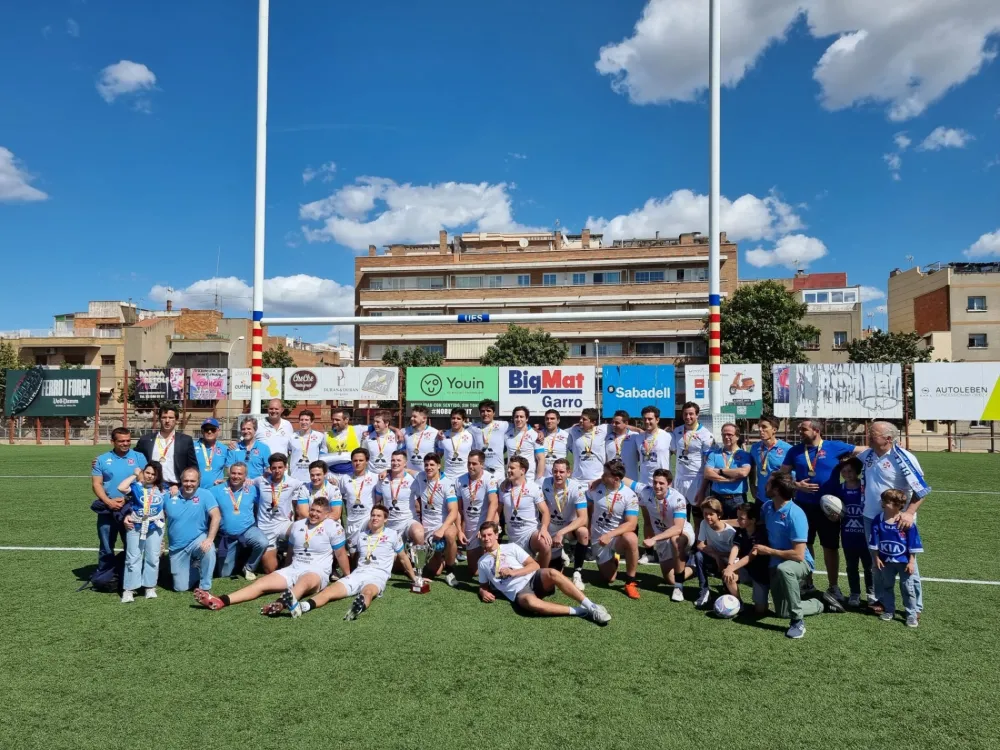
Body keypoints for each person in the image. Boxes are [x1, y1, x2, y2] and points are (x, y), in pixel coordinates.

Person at [195, 497, 350, 615]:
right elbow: (291, 550)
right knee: (261, 584)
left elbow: (341, 553)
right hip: (294, 568)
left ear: (327, 514)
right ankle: (221, 600)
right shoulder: (298, 525)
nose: (314, 514)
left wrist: (347, 576)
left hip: (316, 572)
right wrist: (285, 569)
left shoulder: (333, 527)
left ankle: (280, 604)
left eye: (319, 512)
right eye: (313, 510)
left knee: (303, 583)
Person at [271, 504, 420, 621]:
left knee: (367, 592)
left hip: (377, 575)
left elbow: (403, 557)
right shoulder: (362, 535)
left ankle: (358, 607)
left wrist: (414, 579)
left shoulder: (393, 535)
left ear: (385, 519)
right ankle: (302, 607)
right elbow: (355, 558)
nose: (374, 518)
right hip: (358, 573)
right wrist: (347, 573)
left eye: (378, 516)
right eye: (373, 515)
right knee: (329, 591)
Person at [779, 419, 863, 601]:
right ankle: (807, 583)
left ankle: (834, 587)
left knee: (830, 547)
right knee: (804, 545)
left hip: (829, 509)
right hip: (802, 507)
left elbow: (863, 451)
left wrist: (893, 449)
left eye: (803, 429)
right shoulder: (794, 451)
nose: (799, 432)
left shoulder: (835, 446)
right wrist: (796, 485)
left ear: (816, 430)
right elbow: (781, 474)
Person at [755, 473, 843, 639]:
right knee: (782, 612)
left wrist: (769, 552)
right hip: (776, 561)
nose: (764, 487)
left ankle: (797, 621)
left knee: (785, 569)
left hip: (800, 562)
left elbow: (798, 554)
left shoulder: (795, 514)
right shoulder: (766, 507)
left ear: (776, 490)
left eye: (768, 484)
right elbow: (754, 524)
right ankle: (820, 603)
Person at [477, 521, 611, 626]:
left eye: (489, 535)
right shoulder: (482, 562)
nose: (486, 538)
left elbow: (535, 565)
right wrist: (483, 592)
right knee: (531, 603)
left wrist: (514, 572)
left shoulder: (510, 547)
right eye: (483, 536)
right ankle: (581, 611)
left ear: (496, 535)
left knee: (552, 572)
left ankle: (591, 606)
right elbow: (483, 585)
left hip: (533, 578)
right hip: (518, 592)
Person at [858, 421, 929, 617]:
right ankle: (881, 600)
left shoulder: (904, 458)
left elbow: (922, 489)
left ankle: (915, 607)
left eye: (873, 433)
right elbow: (849, 453)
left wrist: (909, 513)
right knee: (877, 562)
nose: (869, 436)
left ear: (888, 438)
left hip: (899, 521)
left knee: (908, 564)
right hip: (871, 519)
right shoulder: (868, 455)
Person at [89, 427, 148, 591]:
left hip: (131, 509)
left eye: (128, 440)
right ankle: (105, 577)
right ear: (112, 442)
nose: (125, 443)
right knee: (106, 545)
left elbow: (145, 480)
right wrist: (108, 501)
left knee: (132, 545)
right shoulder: (102, 459)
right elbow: (96, 484)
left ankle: (130, 578)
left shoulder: (139, 457)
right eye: (121, 441)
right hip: (108, 509)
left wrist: (131, 498)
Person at [634, 469, 695, 602]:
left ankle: (679, 587)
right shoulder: (646, 491)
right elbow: (625, 481)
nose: (657, 486)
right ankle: (695, 566)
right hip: (663, 539)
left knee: (675, 540)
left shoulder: (678, 499)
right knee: (670, 579)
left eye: (661, 483)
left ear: (669, 484)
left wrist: (654, 539)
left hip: (682, 534)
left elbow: (677, 528)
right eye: (655, 482)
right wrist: (599, 480)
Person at [156, 467, 220, 592]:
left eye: (193, 481)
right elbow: (159, 518)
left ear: (198, 481)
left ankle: (205, 587)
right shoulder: (169, 496)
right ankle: (195, 567)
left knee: (208, 549)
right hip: (177, 548)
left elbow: (216, 516)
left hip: (197, 540)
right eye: (186, 481)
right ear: (181, 481)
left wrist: (210, 539)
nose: (189, 484)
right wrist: (160, 540)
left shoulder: (206, 495)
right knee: (180, 588)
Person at [586, 459, 641, 599]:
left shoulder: (630, 495)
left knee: (632, 538)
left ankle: (630, 582)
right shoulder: (595, 488)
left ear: (616, 478)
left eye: (605, 474)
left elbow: (631, 524)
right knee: (609, 579)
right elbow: (588, 511)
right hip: (598, 538)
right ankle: (614, 557)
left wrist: (610, 535)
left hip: (616, 537)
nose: (602, 476)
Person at [869, 489, 924, 628]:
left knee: (907, 588)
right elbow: (874, 540)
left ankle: (911, 614)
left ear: (899, 505)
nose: (885, 504)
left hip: (904, 561)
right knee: (887, 586)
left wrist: (911, 561)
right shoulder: (879, 519)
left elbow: (913, 542)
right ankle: (889, 610)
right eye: (885, 501)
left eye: (890, 502)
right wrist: (876, 558)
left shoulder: (905, 521)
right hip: (886, 561)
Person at [117, 461, 166, 603]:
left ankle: (150, 586)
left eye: (153, 474)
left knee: (153, 557)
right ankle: (129, 589)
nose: (150, 476)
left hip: (155, 527)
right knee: (133, 558)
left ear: (158, 476)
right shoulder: (136, 487)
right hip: (136, 526)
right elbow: (121, 487)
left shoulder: (162, 489)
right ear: (143, 472)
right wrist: (134, 474)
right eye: (148, 472)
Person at [211, 462, 268, 580]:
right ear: (228, 473)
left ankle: (249, 567)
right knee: (224, 574)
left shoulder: (252, 489)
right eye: (233, 473)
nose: (236, 476)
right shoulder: (215, 490)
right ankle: (234, 561)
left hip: (247, 530)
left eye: (239, 474)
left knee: (262, 542)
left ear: (245, 476)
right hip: (227, 536)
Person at [411, 453, 460, 587]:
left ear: (439, 466)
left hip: (444, 525)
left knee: (450, 534)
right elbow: (406, 470)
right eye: (426, 465)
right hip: (427, 528)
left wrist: (442, 529)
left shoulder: (447, 483)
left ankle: (450, 571)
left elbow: (454, 511)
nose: (428, 467)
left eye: (432, 465)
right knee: (435, 571)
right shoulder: (421, 477)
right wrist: (387, 471)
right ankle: (443, 560)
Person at [539, 458, 588, 591]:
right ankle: (561, 555)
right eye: (555, 471)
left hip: (568, 527)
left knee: (583, 532)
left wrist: (561, 533)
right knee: (550, 574)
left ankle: (577, 572)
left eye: (561, 472)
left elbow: (583, 518)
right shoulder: (543, 483)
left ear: (568, 473)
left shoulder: (576, 488)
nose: (558, 475)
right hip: (551, 527)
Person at [253, 453, 307, 573]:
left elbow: (310, 485)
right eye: (274, 468)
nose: (277, 471)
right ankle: (280, 556)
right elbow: (244, 482)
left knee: (302, 531)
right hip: (265, 528)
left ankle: (294, 561)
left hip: (284, 524)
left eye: (280, 467)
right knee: (270, 570)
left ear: (285, 467)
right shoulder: (260, 481)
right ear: (270, 468)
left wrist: (332, 482)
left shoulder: (293, 482)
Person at [835, 456, 872, 608]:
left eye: (850, 470)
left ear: (857, 470)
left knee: (869, 566)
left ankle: (871, 592)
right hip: (848, 535)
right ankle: (854, 593)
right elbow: (835, 511)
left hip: (865, 535)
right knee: (851, 566)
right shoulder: (840, 489)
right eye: (843, 471)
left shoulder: (865, 487)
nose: (847, 473)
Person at [454, 450, 499, 573]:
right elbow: (458, 510)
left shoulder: (490, 479)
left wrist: (486, 527)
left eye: (474, 464)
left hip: (486, 522)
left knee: (493, 566)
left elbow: (493, 503)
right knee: (473, 570)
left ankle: (493, 552)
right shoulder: (459, 480)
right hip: (470, 525)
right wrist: (459, 531)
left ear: (482, 465)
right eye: (469, 463)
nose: (470, 466)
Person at [722, 503, 770, 616]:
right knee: (728, 575)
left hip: (761, 574)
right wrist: (729, 566)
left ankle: (765, 596)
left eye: (741, 518)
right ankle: (738, 603)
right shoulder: (741, 530)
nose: (737, 521)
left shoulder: (761, 534)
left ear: (752, 520)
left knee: (760, 611)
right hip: (746, 570)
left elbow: (750, 556)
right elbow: (735, 547)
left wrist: (732, 567)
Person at [498, 455, 550, 558]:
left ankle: (540, 572)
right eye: (508, 467)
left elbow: (545, 512)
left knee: (545, 544)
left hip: (530, 534)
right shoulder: (503, 488)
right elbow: (497, 511)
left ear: (522, 470)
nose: (508, 470)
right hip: (512, 536)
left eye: (512, 468)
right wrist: (495, 525)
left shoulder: (534, 488)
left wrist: (543, 529)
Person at [698, 423, 752, 519]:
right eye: (724, 434)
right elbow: (707, 473)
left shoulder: (744, 455)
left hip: (737, 498)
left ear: (737, 436)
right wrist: (729, 479)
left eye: (730, 434)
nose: (726, 437)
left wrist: (719, 471)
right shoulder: (714, 454)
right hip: (716, 498)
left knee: (737, 529)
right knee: (716, 528)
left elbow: (743, 472)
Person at [136, 405, 197, 487]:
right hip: (151, 487)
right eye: (164, 417)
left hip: (176, 487)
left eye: (171, 418)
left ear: (176, 420)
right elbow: (136, 461)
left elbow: (193, 467)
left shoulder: (186, 441)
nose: (167, 421)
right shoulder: (145, 440)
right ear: (159, 419)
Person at [670, 401, 714, 506]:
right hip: (679, 481)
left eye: (691, 414)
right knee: (680, 518)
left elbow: (708, 463)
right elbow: (676, 452)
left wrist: (703, 489)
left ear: (697, 415)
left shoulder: (706, 434)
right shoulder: (677, 431)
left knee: (698, 517)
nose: (688, 417)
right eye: (685, 414)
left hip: (697, 481)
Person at [375, 450, 420, 546]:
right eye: (393, 460)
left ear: (405, 463)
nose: (395, 463)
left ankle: (417, 558)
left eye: (399, 460)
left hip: (408, 521)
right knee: (396, 559)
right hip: (389, 524)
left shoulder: (413, 480)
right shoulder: (382, 480)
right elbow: (377, 502)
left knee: (418, 533)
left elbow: (419, 502)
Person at [334, 448, 378, 544]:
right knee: (354, 555)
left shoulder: (375, 478)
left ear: (367, 462)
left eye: (361, 460)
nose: (357, 463)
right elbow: (338, 496)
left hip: (368, 521)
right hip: (351, 523)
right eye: (355, 460)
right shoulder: (345, 478)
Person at [749, 415, 790, 503]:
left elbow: (792, 475)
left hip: (780, 498)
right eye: (759, 426)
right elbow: (752, 468)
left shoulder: (787, 449)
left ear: (774, 430)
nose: (760, 430)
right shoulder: (755, 448)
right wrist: (752, 486)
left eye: (764, 427)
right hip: (761, 497)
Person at [631, 405, 673, 484]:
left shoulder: (668, 436)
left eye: (650, 419)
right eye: (644, 419)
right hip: (644, 482)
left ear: (657, 420)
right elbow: (622, 426)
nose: (647, 421)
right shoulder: (638, 438)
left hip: (662, 483)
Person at [324, 408, 371, 476]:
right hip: (332, 475)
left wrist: (391, 427)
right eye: (333, 419)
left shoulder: (357, 430)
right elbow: (323, 456)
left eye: (337, 420)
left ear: (346, 420)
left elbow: (377, 426)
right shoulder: (326, 435)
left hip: (352, 474)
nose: (334, 422)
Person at [468, 399, 509, 476]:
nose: (485, 413)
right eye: (482, 411)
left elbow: (521, 427)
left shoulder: (503, 425)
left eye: (488, 411)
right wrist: (441, 432)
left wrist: (538, 432)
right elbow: (458, 431)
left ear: (494, 413)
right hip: (480, 472)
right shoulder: (473, 427)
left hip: (497, 472)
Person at [567, 408, 609, 481]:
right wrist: (541, 431)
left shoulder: (603, 429)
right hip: (578, 480)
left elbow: (622, 425)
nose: (580, 421)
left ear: (593, 422)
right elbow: (555, 432)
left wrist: (636, 430)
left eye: (584, 419)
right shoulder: (574, 430)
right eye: (580, 418)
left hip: (598, 479)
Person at [288, 409, 328, 482]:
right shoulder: (292, 437)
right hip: (295, 477)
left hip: (313, 477)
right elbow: (287, 454)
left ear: (312, 422)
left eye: (306, 420)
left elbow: (324, 456)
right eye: (301, 420)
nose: (303, 422)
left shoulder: (320, 436)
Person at [438, 407, 475, 481]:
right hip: (447, 478)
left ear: (463, 420)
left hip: (465, 477)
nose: (455, 421)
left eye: (458, 418)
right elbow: (438, 455)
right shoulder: (443, 435)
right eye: (453, 418)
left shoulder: (470, 435)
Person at [303, 459, 343, 524]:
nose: (315, 478)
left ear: (325, 474)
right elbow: (303, 513)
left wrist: (316, 519)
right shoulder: (304, 488)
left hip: (329, 524)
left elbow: (336, 514)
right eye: (312, 475)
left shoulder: (334, 489)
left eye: (318, 475)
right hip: (311, 524)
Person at [194, 418, 229, 488]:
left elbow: (232, 470)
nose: (209, 432)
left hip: (216, 491)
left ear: (218, 431)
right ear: (202, 431)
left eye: (213, 429)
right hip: (197, 491)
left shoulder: (224, 449)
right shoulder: (192, 446)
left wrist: (227, 482)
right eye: (206, 429)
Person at [403, 405, 439, 474]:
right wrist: (395, 429)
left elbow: (440, 453)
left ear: (424, 419)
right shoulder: (404, 431)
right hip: (409, 475)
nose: (411, 419)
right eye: (412, 416)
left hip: (427, 475)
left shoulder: (435, 433)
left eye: (415, 417)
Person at [605, 410, 638, 480]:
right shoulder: (607, 437)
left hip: (630, 479)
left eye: (617, 423)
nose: (613, 425)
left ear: (626, 423)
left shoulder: (635, 436)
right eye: (613, 422)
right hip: (612, 480)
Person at [364, 410, 399, 475]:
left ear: (386, 423)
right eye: (374, 421)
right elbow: (364, 456)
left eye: (378, 422)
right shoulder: (367, 437)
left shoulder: (396, 437)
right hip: (371, 476)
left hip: (389, 475)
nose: (375, 424)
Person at [538, 409, 569, 479]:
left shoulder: (566, 436)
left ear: (558, 421)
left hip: (559, 477)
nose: (549, 421)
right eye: (547, 419)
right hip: (542, 478)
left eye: (552, 419)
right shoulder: (538, 435)